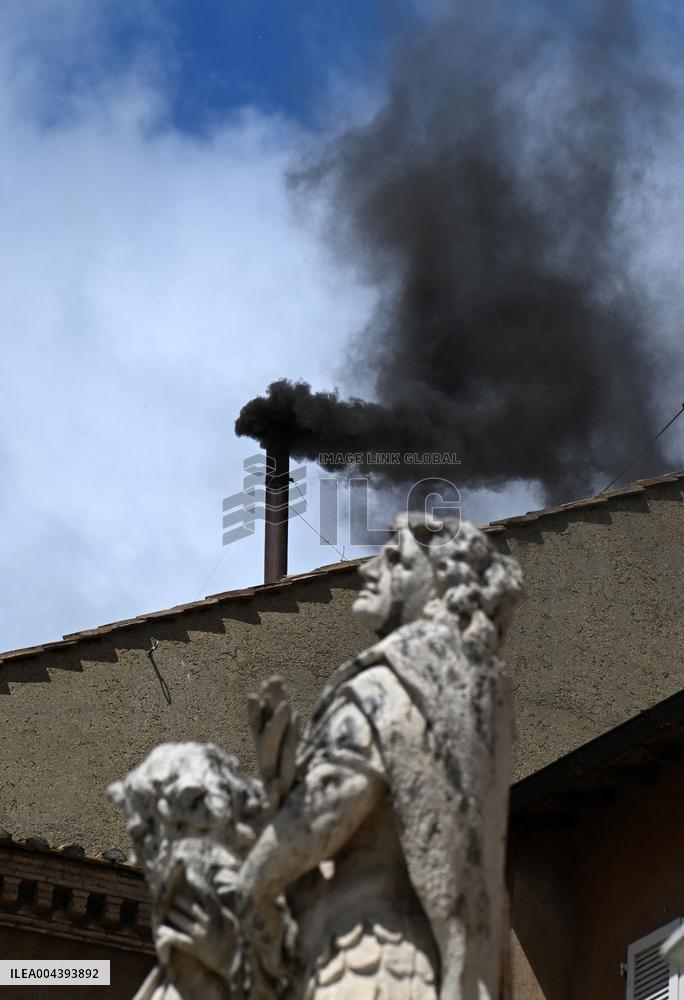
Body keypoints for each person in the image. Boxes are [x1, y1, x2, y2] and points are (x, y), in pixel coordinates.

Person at [235, 514, 523, 1000]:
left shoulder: (384, 689)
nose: (366, 570)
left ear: (441, 587)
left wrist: (252, 884)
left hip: (358, 959)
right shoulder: (477, 700)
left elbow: (326, 811)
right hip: (427, 965)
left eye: (394, 560)